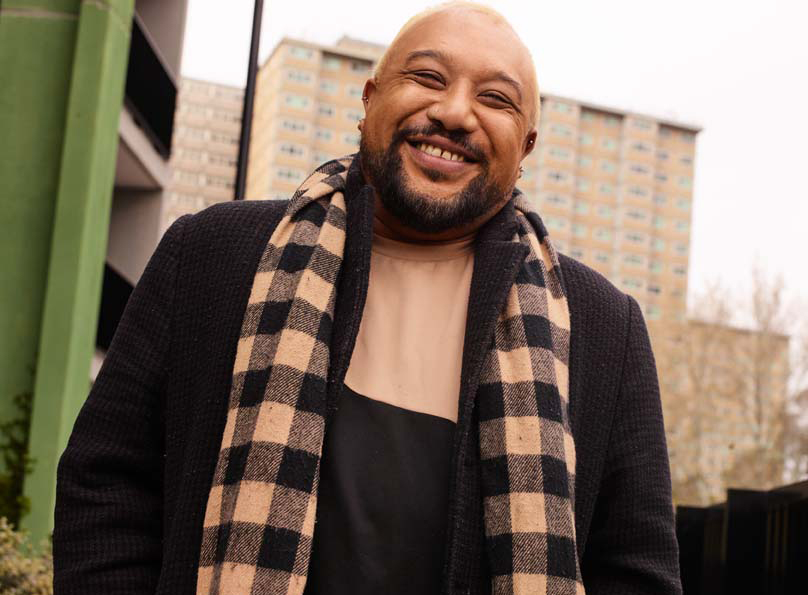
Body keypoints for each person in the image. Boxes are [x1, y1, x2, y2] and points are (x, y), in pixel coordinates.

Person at [53, 3, 681, 594]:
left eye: (495, 99)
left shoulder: (603, 327)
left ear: (527, 150)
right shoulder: (211, 255)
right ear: (369, 99)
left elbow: (635, 568)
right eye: (427, 76)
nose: (456, 113)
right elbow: (106, 484)